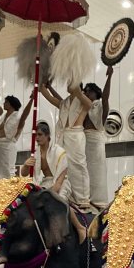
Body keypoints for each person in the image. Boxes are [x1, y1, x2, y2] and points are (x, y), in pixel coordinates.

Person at [41, 80, 92, 209]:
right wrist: (41, 86)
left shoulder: (82, 100)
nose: (67, 85)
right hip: (63, 136)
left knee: (79, 165)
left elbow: (89, 104)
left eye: (70, 83)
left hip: (76, 136)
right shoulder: (65, 102)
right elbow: (50, 98)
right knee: (63, 165)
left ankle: (83, 198)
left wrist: (78, 90)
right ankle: (69, 196)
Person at [83, 67, 114, 209]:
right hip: (83, 144)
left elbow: (106, 97)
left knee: (97, 175)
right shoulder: (82, 108)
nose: (86, 93)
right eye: (85, 91)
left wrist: (110, 76)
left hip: (95, 144)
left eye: (89, 91)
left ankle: (99, 204)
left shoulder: (100, 105)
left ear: (96, 93)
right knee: (85, 175)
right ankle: (85, 202)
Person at [20, 121, 69, 198]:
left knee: (58, 201)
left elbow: (59, 182)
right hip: (45, 184)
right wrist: (26, 165)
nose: (37, 138)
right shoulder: (36, 154)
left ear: (47, 135)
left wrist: (50, 195)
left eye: (40, 134)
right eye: (35, 135)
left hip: (61, 185)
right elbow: (23, 174)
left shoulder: (59, 152)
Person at [0, 94, 33, 178]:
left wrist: (31, 100)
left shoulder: (18, 118)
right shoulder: (2, 117)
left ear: (11, 104)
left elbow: (25, 115)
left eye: (6, 102)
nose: (4, 103)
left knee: (8, 172)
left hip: (8, 147)